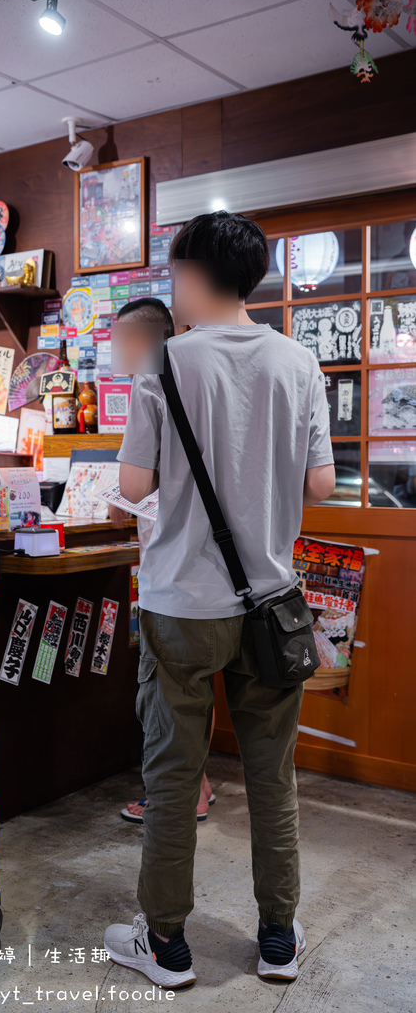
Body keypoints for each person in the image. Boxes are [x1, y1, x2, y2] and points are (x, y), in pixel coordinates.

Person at [103, 212, 335, 989]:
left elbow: (132, 486)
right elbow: (320, 485)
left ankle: (165, 945)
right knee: (272, 775)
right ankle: (276, 939)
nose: (174, 291)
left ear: (195, 272)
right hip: (272, 602)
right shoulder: (298, 363)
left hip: (179, 605)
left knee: (171, 773)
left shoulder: (166, 363)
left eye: (174, 275)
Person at [110, 298, 216, 826]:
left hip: (174, 579)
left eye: (120, 340)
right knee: (187, 703)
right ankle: (199, 786)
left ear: (144, 341)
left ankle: (178, 796)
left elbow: (135, 484)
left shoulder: (152, 380)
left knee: (166, 706)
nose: (113, 351)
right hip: (213, 578)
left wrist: (119, 495)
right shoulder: (200, 378)